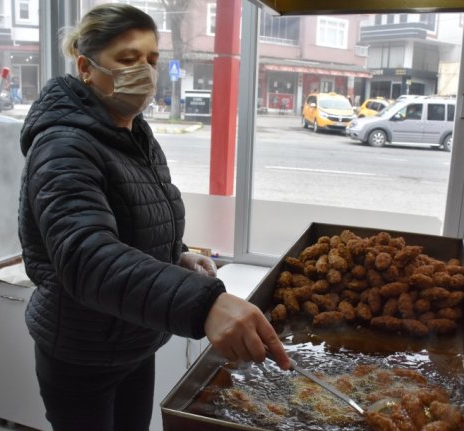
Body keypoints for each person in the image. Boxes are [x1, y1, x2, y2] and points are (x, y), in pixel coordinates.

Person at [17, 4, 289, 431]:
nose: (143, 70)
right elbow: (86, 256)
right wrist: (205, 304)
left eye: (151, 60)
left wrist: (176, 255)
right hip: (82, 352)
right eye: (128, 59)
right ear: (86, 68)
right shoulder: (62, 146)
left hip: (134, 339)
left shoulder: (133, 132)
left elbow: (129, 219)